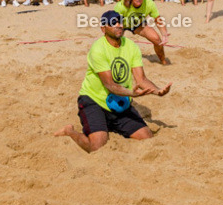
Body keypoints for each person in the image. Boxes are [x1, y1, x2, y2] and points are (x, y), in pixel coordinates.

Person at [54, 10, 171, 152]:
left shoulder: (131, 46)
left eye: (120, 22)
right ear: (103, 28)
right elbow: (109, 85)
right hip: (94, 100)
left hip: (119, 102)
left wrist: (158, 91)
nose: (119, 25)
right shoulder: (98, 49)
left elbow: (141, 79)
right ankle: (69, 131)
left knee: (147, 137)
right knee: (96, 146)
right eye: (113, 22)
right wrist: (132, 94)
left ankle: (108, 125)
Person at [116, 0, 171, 64]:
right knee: (114, 42)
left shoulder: (149, 3)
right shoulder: (121, 6)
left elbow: (157, 19)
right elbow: (113, 23)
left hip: (139, 24)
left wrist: (164, 33)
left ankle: (163, 61)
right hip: (122, 25)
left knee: (157, 40)